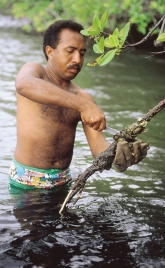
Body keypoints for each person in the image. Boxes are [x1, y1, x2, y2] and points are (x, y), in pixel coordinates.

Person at [9, 20, 148, 190]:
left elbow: (98, 149)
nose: (77, 59)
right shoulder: (36, 73)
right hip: (26, 181)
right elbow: (24, 84)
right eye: (70, 51)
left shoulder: (83, 97)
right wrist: (83, 106)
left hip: (63, 182)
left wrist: (122, 155)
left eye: (82, 53)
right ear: (50, 51)